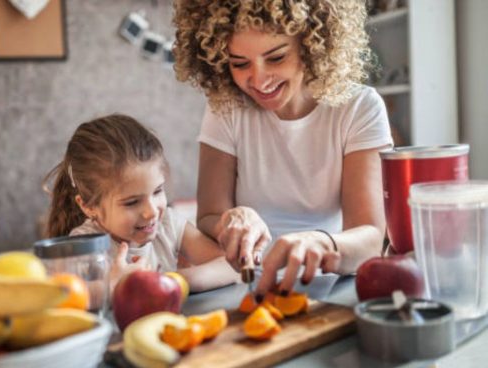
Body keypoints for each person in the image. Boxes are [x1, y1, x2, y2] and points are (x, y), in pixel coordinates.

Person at [172, 0, 393, 297]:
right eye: (239, 63)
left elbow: (369, 238)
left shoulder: (359, 108)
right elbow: (209, 216)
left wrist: (321, 243)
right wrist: (231, 219)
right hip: (243, 284)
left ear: (312, 44)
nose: (259, 80)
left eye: (276, 58)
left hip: (329, 281)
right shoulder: (225, 107)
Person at [44, 114, 238, 294]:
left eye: (157, 191)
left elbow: (232, 267)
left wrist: (171, 281)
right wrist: (114, 286)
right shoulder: (83, 245)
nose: (151, 212)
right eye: (132, 202)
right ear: (88, 206)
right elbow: (60, 295)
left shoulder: (169, 225)